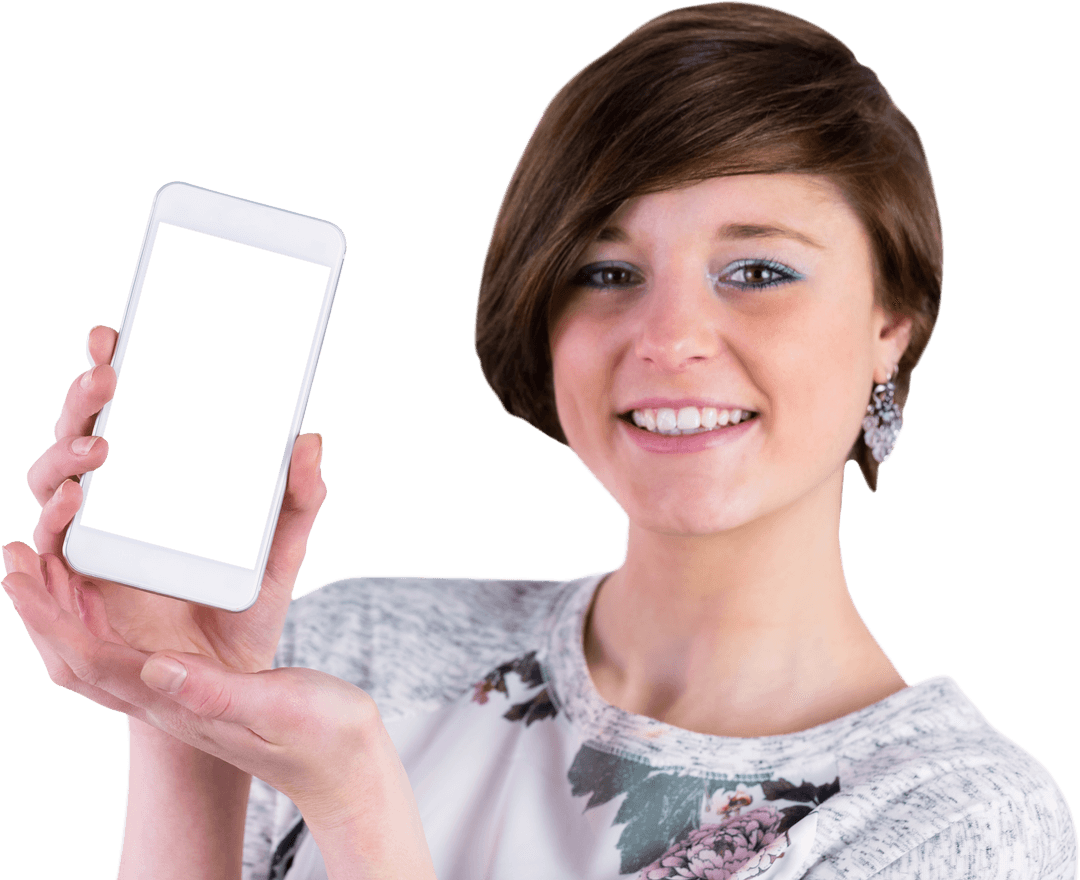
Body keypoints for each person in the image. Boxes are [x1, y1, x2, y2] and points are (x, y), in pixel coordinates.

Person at [2, 3, 1076, 878]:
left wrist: (359, 801)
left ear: (892, 326)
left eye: (758, 271)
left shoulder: (955, 822)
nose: (668, 340)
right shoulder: (353, 650)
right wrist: (178, 702)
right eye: (607, 273)